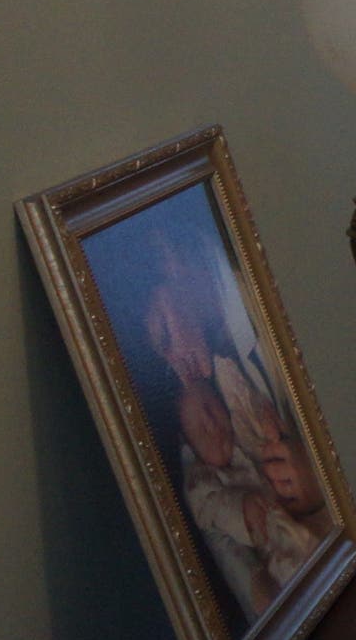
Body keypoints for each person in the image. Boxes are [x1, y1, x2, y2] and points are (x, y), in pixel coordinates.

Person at [140, 254, 331, 620]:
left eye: (166, 334)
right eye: (163, 357)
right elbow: (209, 513)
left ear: (170, 263)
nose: (175, 360)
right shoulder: (205, 427)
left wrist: (318, 483)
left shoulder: (269, 304)